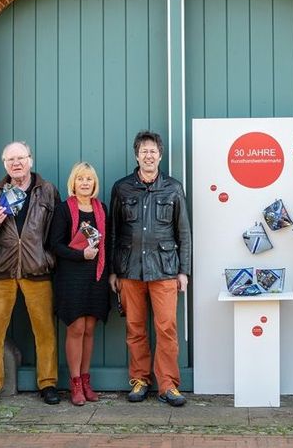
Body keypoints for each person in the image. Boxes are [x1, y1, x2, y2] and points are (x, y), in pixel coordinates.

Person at [108, 131, 192, 407]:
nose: (148, 155)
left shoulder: (173, 188)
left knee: (166, 327)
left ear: (160, 155)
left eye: (153, 151)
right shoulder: (122, 188)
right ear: (136, 155)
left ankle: (168, 384)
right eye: (143, 151)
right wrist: (112, 270)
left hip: (166, 269)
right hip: (129, 269)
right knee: (135, 327)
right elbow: (113, 232)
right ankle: (140, 379)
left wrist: (184, 271)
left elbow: (184, 232)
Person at [0, 141, 61, 407]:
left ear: (30, 160)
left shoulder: (47, 191)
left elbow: (57, 232)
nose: (16, 163)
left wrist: (48, 258)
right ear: (4, 164)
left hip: (37, 269)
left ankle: (48, 384)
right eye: (10, 159)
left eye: (20, 158)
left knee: (45, 331)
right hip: (3, 270)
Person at [48, 162, 110, 405]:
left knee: (90, 329)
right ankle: (74, 383)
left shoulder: (101, 209)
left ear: (95, 184)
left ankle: (86, 380)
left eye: (89, 179)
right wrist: (80, 255)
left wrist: (110, 274)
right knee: (76, 328)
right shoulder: (64, 210)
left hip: (96, 276)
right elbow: (56, 245)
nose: (85, 183)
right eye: (80, 179)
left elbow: (108, 243)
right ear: (73, 183)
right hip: (71, 277)